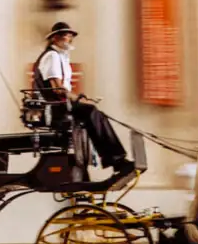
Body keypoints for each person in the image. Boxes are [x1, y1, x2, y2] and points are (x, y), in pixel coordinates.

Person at [33, 23, 133, 178]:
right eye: (65, 35)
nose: (69, 38)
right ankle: (115, 160)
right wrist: (79, 99)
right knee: (91, 111)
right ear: (54, 38)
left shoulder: (60, 57)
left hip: (61, 104)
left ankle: (113, 159)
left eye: (70, 35)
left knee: (97, 114)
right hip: (56, 107)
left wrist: (81, 98)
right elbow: (57, 89)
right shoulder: (51, 56)